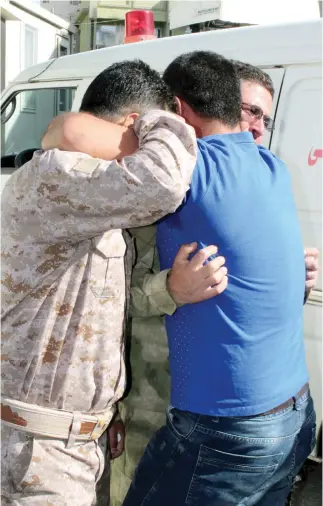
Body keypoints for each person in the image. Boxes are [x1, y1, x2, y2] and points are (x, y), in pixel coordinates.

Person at [43, 59, 319, 506]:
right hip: (285, 417)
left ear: (175, 111)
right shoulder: (271, 170)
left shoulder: (185, 169)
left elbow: (66, 129)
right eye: (249, 111)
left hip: (222, 428)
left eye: (263, 117)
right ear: (230, 106)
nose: (256, 127)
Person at [0, 59, 199, 505]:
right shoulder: (58, 175)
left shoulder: (95, 196)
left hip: (75, 440)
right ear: (134, 123)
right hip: (37, 450)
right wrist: (166, 120)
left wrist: (107, 414)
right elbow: (164, 181)